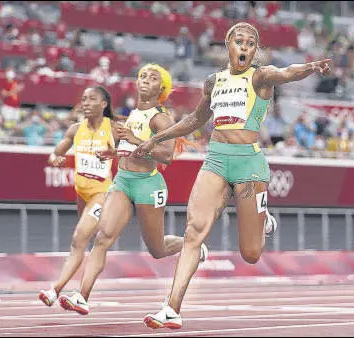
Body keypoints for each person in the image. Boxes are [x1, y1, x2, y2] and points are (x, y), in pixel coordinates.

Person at [134, 22, 332, 329]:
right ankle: (171, 307)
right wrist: (156, 139)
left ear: (254, 50)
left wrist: (310, 67)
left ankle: (262, 217)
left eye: (250, 43)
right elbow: (194, 120)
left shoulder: (260, 76)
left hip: (248, 166)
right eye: (239, 41)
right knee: (193, 232)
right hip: (216, 160)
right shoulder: (214, 82)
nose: (244, 46)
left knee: (251, 253)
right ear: (228, 45)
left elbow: (287, 72)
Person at [58, 64, 207, 315]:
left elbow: (166, 156)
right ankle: (82, 296)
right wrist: (115, 152)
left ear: (162, 88)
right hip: (123, 181)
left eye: (153, 78)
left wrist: (135, 139)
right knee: (103, 237)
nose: (145, 80)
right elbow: (132, 150)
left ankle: (191, 246)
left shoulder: (161, 118)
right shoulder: (134, 114)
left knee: (157, 250)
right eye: (142, 76)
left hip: (148, 185)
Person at [38, 86, 116, 307]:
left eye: (92, 99)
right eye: (83, 99)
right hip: (81, 192)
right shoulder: (75, 129)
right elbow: (56, 152)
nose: (86, 103)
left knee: (78, 238)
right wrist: (54, 158)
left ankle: (57, 290)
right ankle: (66, 290)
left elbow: (133, 151)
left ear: (104, 104)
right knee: (80, 244)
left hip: (102, 193)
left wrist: (114, 153)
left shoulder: (114, 129)